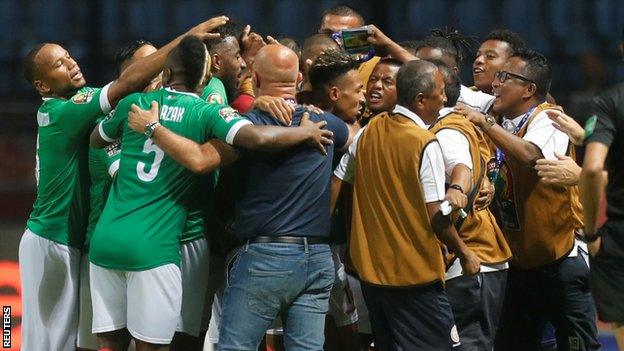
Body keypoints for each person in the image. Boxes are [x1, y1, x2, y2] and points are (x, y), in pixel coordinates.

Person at [89, 38, 333, 351]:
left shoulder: (133, 103)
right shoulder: (207, 113)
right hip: (154, 247)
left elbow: (97, 138)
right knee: (155, 345)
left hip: (106, 238)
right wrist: (303, 132)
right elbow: (255, 138)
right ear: (206, 79)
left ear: (164, 75)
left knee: (109, 343)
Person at [17, 15, 228, 351]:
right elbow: (128, 84)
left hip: (76, 239)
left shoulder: (85, 104)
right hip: (51, 238)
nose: (71, 63)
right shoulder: (65, 111)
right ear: (42, 85)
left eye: (69, 55)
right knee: (39, 340)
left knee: (69, 339)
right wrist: (186, 40)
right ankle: (4, 337)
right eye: (59, 63)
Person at [455, 48, 600, 351]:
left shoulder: (549, 118)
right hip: (520, 264)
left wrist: (484, 124)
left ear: (529, 90)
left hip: (560, 263)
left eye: (505, 77)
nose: (495, 82)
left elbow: (530, 155)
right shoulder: (499, 113)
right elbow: (437, 82)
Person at [336, 59, 480, 350]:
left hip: (372, 276)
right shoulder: (424, 143)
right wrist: (465, 253)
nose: (444, 98)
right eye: (440, 92)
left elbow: (339, 181)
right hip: (415, 278)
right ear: (420, 99)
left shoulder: (367, 132)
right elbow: (436, 217)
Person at [218, 44, 349, 351]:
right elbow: (352, 139)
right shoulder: (326, 124)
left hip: (265, 257)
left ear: (255, 77)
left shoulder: (247, 125)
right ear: (299, 78)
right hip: (317, 257)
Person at [77, 39, 158, 351]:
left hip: (147, 246)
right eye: (151, 67)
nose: (161, 72)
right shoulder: (105, 125)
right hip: (100, 249)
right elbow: (131, 179)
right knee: (100, 343)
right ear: (131, 78)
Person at [430, 61, 512, 351]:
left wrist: (456, 190)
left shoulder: (446, 132)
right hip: (481, 259)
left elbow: (460, 168)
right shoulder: (462, 124)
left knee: (468, 345)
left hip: (470, 259)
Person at [413, 28, 495, 114]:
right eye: (418, 65)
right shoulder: (406, 98)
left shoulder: (482, 104)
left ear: (453, 72)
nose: (423, 72)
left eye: (434, 66)